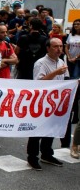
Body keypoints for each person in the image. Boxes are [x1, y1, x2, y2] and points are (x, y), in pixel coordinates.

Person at [28, 38, 68, 170]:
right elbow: (39, 82)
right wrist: (56, 72)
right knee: (37, 130)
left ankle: (46, 153)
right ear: (48, 48)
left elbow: (65, 80)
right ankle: (32, 156)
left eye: (61, 47)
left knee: (50, 129)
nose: (59, 50)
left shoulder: (61, 62)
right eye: (55, 47)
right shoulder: (41, 63)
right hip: (42, 102)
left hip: (55, 101)